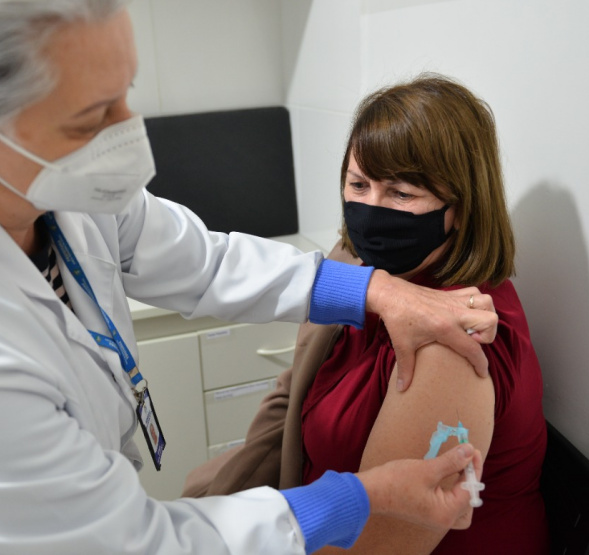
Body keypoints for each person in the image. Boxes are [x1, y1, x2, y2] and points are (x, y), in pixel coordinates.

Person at [0, 2, 497, 554]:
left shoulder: (39, 184)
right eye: (94, 116)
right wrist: (358, 499)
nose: (130, 130)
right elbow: (137, 545)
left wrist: (374, 290)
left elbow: (201, 261)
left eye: (126, 91)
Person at [186, 75, 548, 554]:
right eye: (359, 184)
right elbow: (294, 390)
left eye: (401, 193)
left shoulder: (455, 339)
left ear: (460, 207)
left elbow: (378, 545)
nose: (371, 210)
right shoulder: (358, 270)